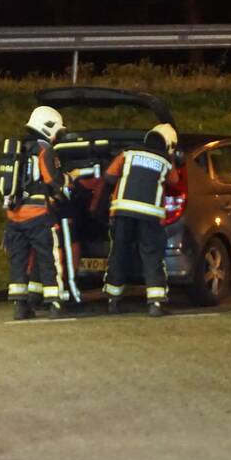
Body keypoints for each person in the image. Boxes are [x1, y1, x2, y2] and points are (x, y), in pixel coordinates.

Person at [99, 123, 179, 317]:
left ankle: (113, 301)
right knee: (152, 257)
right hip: (150, 217)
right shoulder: (166, 162)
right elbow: (174, 182)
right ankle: (156, 304)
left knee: (119, 254)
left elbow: (109, 176)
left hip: (122, 212)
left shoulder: (127, 154)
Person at [4, 105, 68, 320]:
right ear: (49, 127)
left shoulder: (17, 147)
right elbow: (51, 179)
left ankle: (20, 307)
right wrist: (66, 182)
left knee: (18, 260)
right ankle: (54, 304)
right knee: (47, 257)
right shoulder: (44, 149)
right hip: (38, 214)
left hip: (14, 215)